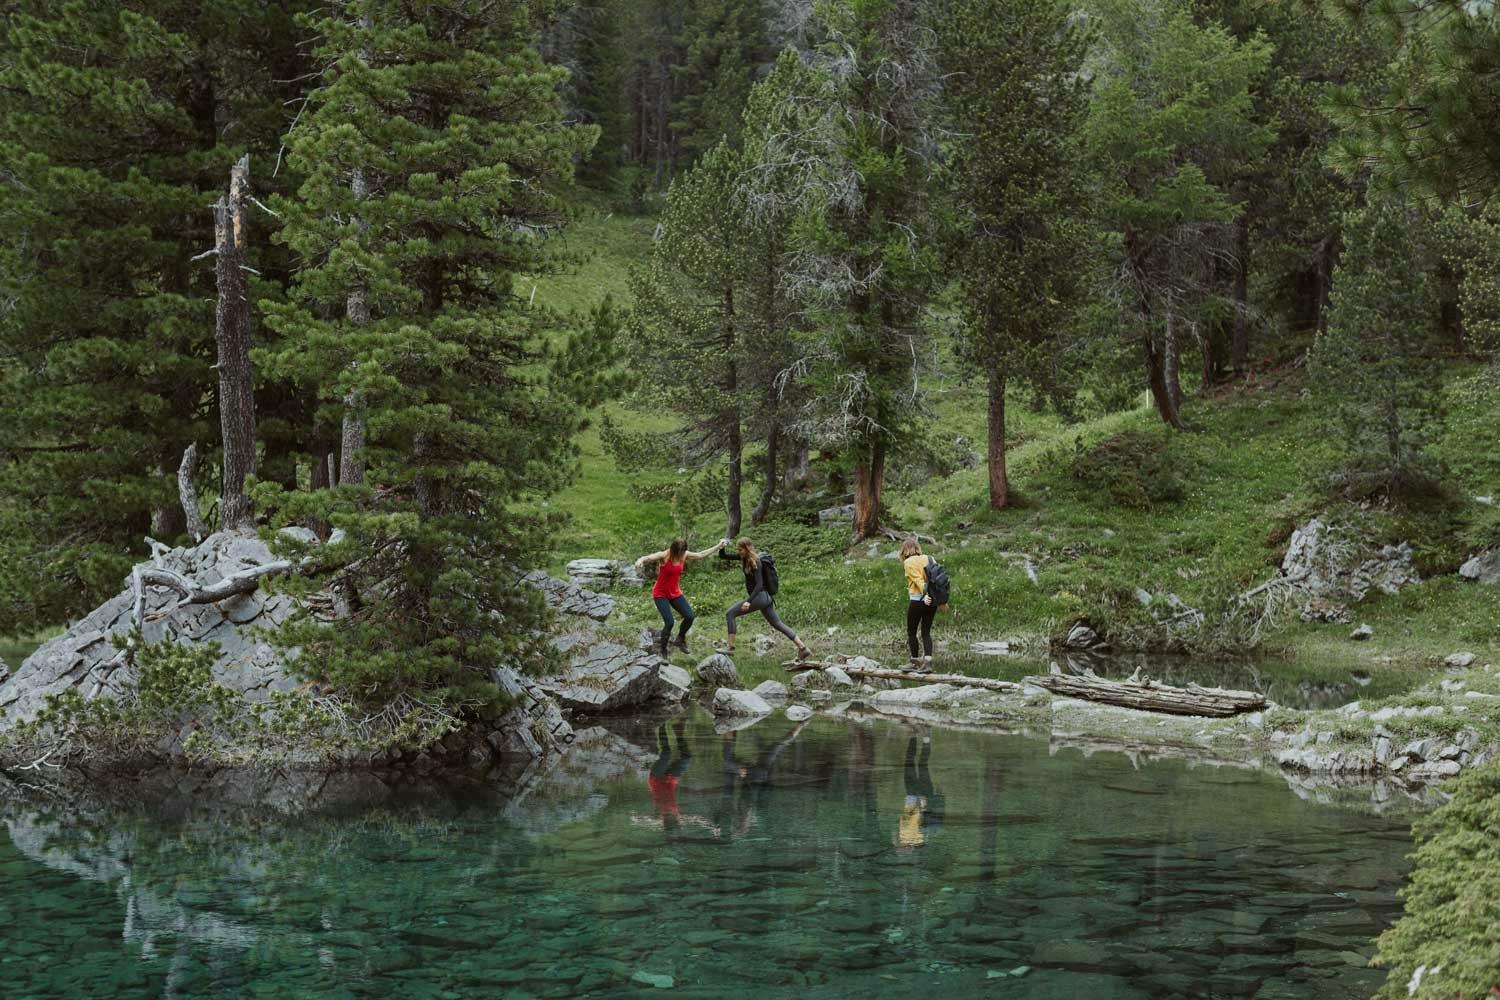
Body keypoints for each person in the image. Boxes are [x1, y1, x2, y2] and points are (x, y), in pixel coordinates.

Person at [719, 537, 812, 660]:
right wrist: (722, 546)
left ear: (747, 549)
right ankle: (803, 648)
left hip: (760, 597)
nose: (738, 552)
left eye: (740, 549)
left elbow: (759, 584)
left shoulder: (755, 561)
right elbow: (724, 556)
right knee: (777, 623)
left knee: (730, 613)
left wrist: (748, 601)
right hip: (765, 598)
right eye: (737, 549)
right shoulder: (744, 558)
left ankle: (730, 648)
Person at [634, 537, 724, 657]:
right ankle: (663, 651)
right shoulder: (665, 556)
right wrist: (640, 560)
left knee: (689, 616)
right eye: (679, 551)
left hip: (675, 593)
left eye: (683, 551)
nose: (681, 554)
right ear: (674, 549)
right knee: (669, 622)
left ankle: (680, 639)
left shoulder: (685, 555)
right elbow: (649, 557)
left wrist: (718, 546)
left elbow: (701, 554)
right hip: (660, 594)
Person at [901, 536, 936, 673]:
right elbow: (938, 578)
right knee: (926, 632)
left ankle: (914, 661)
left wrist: (925, 594)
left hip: (918, 600)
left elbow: (918, 580)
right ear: (917, 548)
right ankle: (927, 661)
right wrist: (938, 599)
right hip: (932, 601)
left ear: (905, 550)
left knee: (912, 632)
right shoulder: (929, 558)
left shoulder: (908, 562)